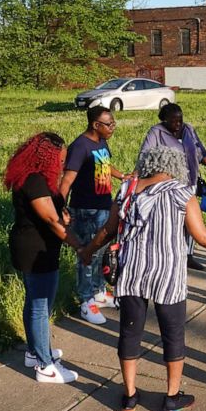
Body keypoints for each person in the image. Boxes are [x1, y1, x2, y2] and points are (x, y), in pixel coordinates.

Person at [79, 146, 206, 411]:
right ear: (175, 165)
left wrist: (87, 251)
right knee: (173, 334)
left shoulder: (127, 190)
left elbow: (108, 230)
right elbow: (202, 237)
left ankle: (130, 395)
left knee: (130, 331)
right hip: (168, 273)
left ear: (146, 163)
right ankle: (171, 397)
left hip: (132, 271)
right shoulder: (183, 194)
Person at [4, 132, 85, 384]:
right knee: (41, 307)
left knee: (34, 303)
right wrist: (79, 246)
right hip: (36, 250)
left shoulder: (35, 178)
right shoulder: (35, 181)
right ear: (47, 158)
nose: (61, 165)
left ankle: (34, 352)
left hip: (34, 246)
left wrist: (64, 217)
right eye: (59, 160)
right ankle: (45, 366)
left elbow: (54, 213)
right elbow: (51, 219)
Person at [60, 106, 130, 325]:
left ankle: (99, 292)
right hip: (86, 209)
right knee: (87, 253)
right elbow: (68, 179)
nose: (113, 127)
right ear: (95, 125)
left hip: (103, 206)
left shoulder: (100, 142)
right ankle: (85, 300)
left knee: (101, 252)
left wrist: (122, 176)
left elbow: (105, 165)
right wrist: (60, 206)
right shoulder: (80, 146)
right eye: (109, 124)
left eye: (113, 123)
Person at [139, 103, 206, 271]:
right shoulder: (156, 132)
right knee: (172, 222)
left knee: (191, 221)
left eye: (180, 120)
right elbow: (144, 156)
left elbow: (202, 153)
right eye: (174, 121)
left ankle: (188, 256)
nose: (178, 124)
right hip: (168, 187)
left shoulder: (188, 130)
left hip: (189, 184)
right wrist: (138, 178)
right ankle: (169, 256)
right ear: (164, 120)